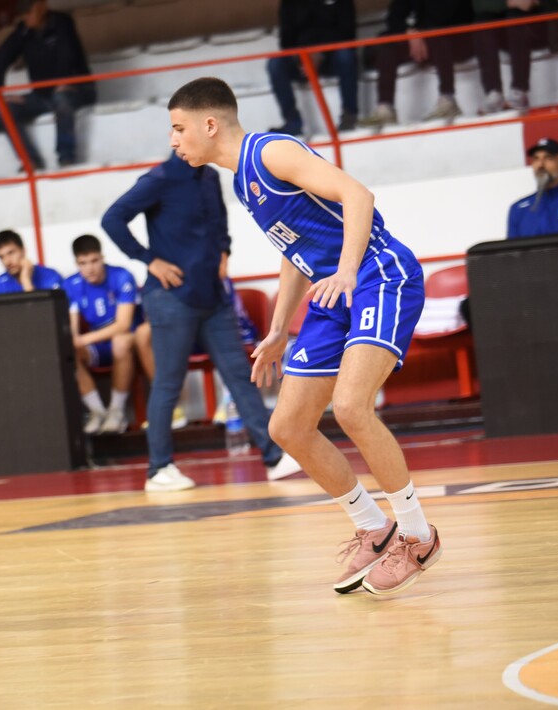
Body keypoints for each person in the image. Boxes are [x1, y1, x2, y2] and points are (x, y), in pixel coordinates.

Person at [167, 76, 439, 596]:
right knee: (288, 426)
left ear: (210, 124)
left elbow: (357, 195)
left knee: (352, 407)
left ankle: (418, 536)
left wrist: (346, 270)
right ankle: (373, 528)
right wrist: (277, 329)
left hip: (377, 274)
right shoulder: (242, 181)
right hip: (332, 293)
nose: (174, 140)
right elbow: (294, 251)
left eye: (179, 129)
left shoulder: (270, 151)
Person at [101, 150, 301, 492]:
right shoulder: (159, 179)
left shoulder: (210, 176)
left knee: (240, 375)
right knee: (168, 383)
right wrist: (149, 260)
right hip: (171, 298)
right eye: (175, 131)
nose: (178, 138)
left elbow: (219, 222)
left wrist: (224, 252)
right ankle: (158, 469)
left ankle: (273, 457)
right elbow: (112, 219)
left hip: (214, 298)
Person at [0, 0, 96, 169]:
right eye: (23, 13)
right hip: (43, 95)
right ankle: (30, 162)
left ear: (42, 6)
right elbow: (0, 58)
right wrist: (0, 92)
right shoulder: (23, 31)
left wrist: (63, 80)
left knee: (62, 99)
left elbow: (67, 53)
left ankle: (66, 158)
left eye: (29, 11)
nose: (26, 17)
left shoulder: (62, 22)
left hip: (78, 88)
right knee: (4, 110)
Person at [64, 234, 140, 435]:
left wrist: (82, 339)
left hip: (128, 342)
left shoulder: (122, 276)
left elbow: (123, 325)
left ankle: (117, 411)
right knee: (68, 351)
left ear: (102, 258)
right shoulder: (72, 284)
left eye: (94, 261)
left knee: (121, 342)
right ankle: (97, 412)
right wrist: (74, 340)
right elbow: (72, 326)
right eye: (83, 263)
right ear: (76, 263)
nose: (90, 268)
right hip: (98, 346)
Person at [361, 0, 476, 127]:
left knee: (438, 34)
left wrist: (420, 33)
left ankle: (448, 100)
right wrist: (409, 32)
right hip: (426, 40)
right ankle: (386, 108)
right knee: (386, 42)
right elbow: (394, 17)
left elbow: (447, 17)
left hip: (458, 38)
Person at [267, 0, 359, 135]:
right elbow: (286, 41)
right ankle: (292, 122)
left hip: (331, 57)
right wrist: (302, 58)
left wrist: (321, 53)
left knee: (345, 56)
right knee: (275, 63)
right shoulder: (289, 3)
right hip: (302, 59)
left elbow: (348, 33)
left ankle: (349, 115)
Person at [473, 0, 558, 114]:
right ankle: (493, 93)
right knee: (483, 20)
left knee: (515, 15)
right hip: (506, 29)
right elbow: (482, 6)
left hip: (540, 28)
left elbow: (526, 4)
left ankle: (519, 90)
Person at [508, 137, 558, 238]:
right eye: (536, 159)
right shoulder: (518, 209)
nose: (541, 165)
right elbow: (512, 248)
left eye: (549, 158)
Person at [0, 229, 63, 293]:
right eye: (1, 257)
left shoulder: (50, 276)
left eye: (11, 253)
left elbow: (39, 306)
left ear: (23, 250)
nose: (7, 262)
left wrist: (26, 280)